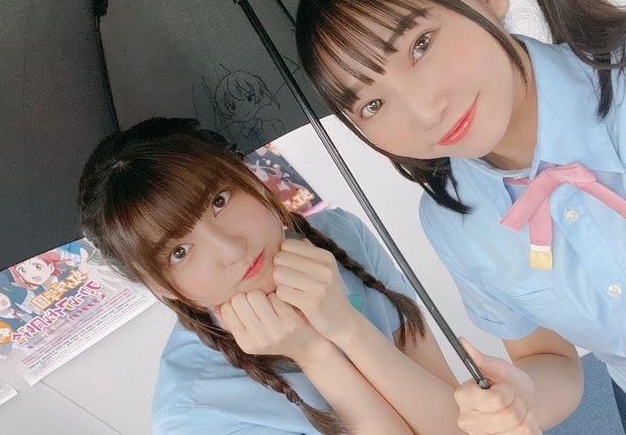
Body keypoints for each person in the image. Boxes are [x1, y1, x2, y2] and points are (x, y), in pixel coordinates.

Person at [294, 0, 626, 433]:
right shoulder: (455, 222)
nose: (425, 111)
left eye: (420, 44)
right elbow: (547, 356)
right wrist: (523, 398)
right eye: (372, 104)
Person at [77, 117, 473, 435]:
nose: (232, 249)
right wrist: (313, 353)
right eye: (179, 252)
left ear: (250, 177)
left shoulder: (341, 236)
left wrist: (347, 326)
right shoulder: (195, 414)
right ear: (160, 287)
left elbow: (458, 425)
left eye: (219, 201)